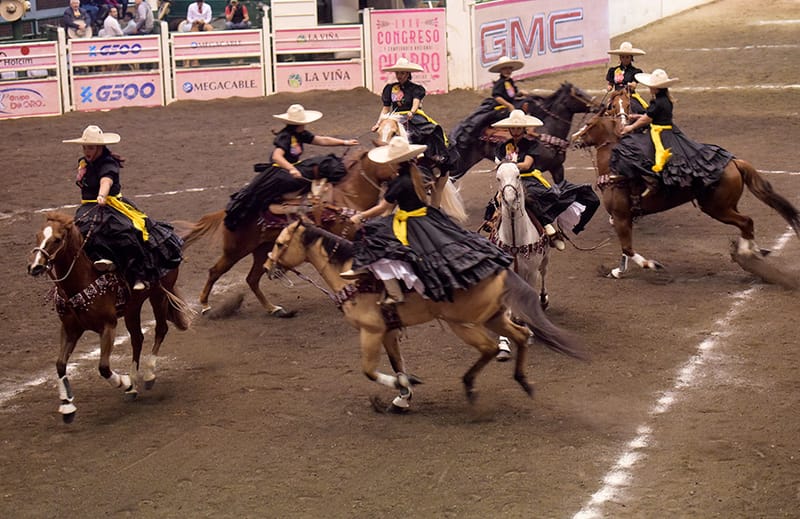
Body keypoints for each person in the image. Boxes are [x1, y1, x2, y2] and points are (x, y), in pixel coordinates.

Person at [341, 136, 513, 305]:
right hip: (424, 215)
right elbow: (386, 210)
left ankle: (392, 291)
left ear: (394, 162)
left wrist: (360, 216)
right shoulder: (415, 173)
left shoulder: (399, 182)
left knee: (373, 238)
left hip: (409, 221)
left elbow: (381, 208)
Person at [63, 125, 184, 291]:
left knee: (125, 231)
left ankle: (137, 274)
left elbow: (107, 180)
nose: (86, 151)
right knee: (79, 232)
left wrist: (102, 195)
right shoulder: (83, 163)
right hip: (88, 208)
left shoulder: (108, 162)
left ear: (99, 148)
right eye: (84, 147)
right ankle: (99, 262)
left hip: (111, 204)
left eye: (90, 147)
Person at [224, 104, 359, 230]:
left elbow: (321, 140)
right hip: (280, 172)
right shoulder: (286, 136)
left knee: (325, 163)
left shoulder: (300, 134)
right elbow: (277, 156)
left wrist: (344, 142)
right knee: (324, 165)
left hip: (291, 168)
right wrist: (291, 169)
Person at [487, 110, 600, 249]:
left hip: (528, 180)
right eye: (513, 128)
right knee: (495, 204)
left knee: (532, 197)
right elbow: (498, 165)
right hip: (509, 180)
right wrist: (507, 169)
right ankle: (494, 231)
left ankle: (548, 227)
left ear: (523, 129)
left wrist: (508, 165)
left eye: (518, 128)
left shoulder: (531, 144)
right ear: (509, 129)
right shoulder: (501, 146)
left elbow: (527, 164)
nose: (516, 131)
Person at [613, 68, 734, 197]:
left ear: (656, 88)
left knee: (633, 147)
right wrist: (636, 116)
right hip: (670, 131)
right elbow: (654, 115)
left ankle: (651, 180)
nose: (649, 88)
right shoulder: (665, 99)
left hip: (660, 135)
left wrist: (630, 128)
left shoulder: (657, 101)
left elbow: (647, 119)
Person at [373, 58, 452, 172]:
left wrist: (412, 111)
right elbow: (386, 108)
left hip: (411, 116)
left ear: (407, 74)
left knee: (432, 129)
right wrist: (378, 123)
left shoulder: (415, 89)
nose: (399, 75)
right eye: (397, 73)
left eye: (402, 73)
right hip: (395, 116)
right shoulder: (390, 89)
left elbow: (416, 102)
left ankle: (435, 155)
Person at [449, 55, 530, 154]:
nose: (508, 70)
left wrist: (521, 93)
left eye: (509, 68)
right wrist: (509, 106)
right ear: (501, 70)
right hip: (501, 106)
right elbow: (497, 96)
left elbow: (511, 93)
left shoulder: (509, 81)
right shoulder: (500, 83)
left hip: (509, 103)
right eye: (505, 68)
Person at [606, 41, 649, 113]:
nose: (625, 59)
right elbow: (610, 83)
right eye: (622, 57)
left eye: (627, 57)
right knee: (606, 110)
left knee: (640, 109)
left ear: (631, 58)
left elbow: (634, 85)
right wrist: (609, 87)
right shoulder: (613, 70)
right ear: (620, 58)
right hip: (616, 94)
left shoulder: (635, 71)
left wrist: (631, 85)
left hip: (630, 95)